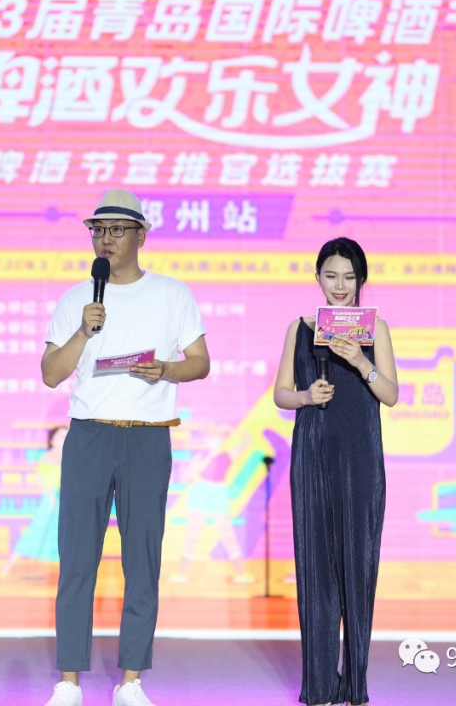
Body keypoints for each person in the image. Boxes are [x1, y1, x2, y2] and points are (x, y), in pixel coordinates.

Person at [40, 188, 210, 706]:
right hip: (89, 435)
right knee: (77, 559)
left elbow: (200, 362)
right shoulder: (76, 300)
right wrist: (83, 332)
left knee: (142, 561)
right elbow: (51, 373)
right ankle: (69, 683)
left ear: (141, 236)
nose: (105, 239)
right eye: (98, 230)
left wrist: (166, 369)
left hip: (148, 436)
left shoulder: (172, 294)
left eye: (116, 230)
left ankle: (130, 681)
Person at [273, 237, 399, 706]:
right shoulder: (299, 328)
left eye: (349, 277)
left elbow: (390, 395)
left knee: (358, 566)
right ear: (318, 278)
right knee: (315, 568)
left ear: (361, 280)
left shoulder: (376, 328)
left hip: (361, 457)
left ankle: (355, 685)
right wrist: (306, 397)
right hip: (313, 455)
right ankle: (321, 685)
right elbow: (280, 393)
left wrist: (361, 362)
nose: (340, 285)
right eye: (331, 275)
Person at [170, 429, 254, 584]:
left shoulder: (228, 455)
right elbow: (189, 475)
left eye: (218, 438)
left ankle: (241, 572)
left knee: (227, 532)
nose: (216, 440)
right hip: (200, 490)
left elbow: (247, 441)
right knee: (192, 533)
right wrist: (210, 455)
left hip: (218, 491)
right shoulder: (201, 456)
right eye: (213, 438)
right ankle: (181, 572)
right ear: (207, 441)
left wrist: (233, 431)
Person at [0, 425, 66, 578]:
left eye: (67, 436)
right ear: (53, 439)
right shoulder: (47, 457)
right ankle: (9, 566)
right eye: (61, 436)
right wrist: (50, 496)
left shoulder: (71, 456)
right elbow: (40, 480)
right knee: (36, 532)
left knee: (62, 535)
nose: (65, 439)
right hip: (51, 500)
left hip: (64, 499)